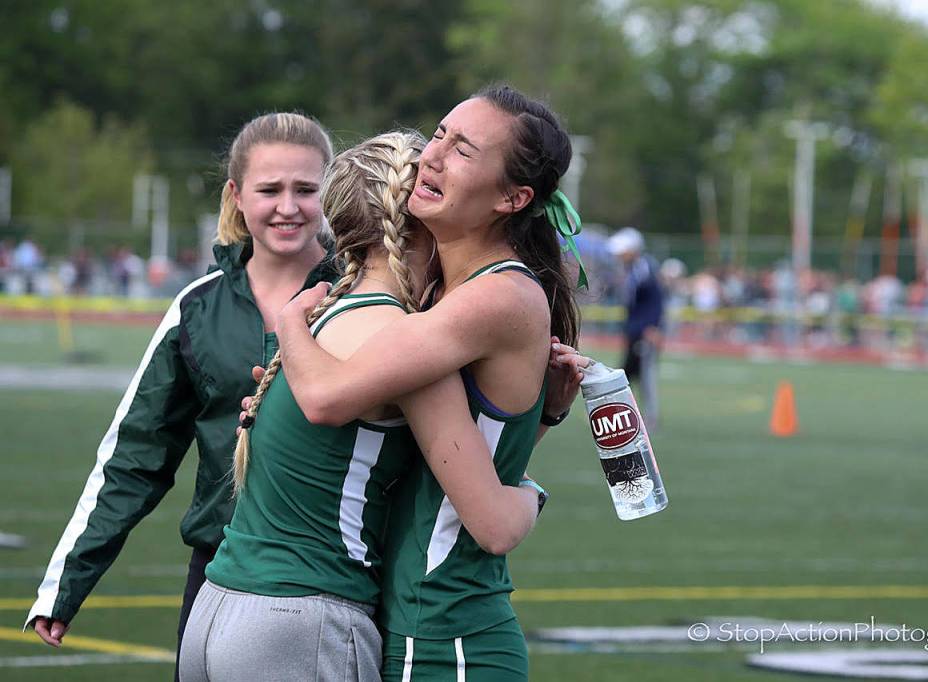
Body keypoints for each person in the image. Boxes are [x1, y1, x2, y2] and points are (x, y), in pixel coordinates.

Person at [181, 129, 579, 681]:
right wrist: (529, 493)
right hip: (303, 618)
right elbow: (484, 512)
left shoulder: (327, 315)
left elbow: (438, 460)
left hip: (218, 609)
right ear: (418, 214)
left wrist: (545, 417)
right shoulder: (404, 342)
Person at [25, 112, 337, 682]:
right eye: (269, 190)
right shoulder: (196, 308)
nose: (287, 206)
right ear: (236, 196)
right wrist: (65, 584)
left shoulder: (367, 298)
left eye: (305, 189)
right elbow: (135, 455)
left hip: (339, 581)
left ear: (330, 193)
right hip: (219, 575)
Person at [607, 226, 664, 430]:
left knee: (645, 375)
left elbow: (656, 301)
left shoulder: (644, 269)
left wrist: (653, 327)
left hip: (644, 331)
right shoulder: (631, 269)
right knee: (628, 373)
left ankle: (650, 418)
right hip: (634, 330)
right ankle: (622, 415)